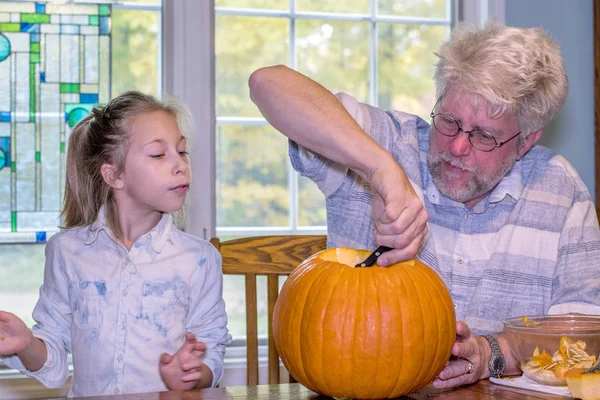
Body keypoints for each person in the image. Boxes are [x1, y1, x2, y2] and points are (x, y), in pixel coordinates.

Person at [248, 22, 600, 389]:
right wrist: (380, 168)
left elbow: (583, 336)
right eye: (449, 121)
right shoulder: (387, 141)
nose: (458, 147)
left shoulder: (560, 190)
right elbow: (266, 82)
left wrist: (494, 352)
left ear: (525, 142)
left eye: (484, 136)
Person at [0, 91, 232, 396]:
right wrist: (28, 344)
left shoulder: (200, 259)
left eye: (182, 152)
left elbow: (211, 354)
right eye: (159, 154)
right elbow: (54, 368)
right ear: (114, 175)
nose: (181, 166)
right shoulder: (66, 252)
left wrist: (192, 374)